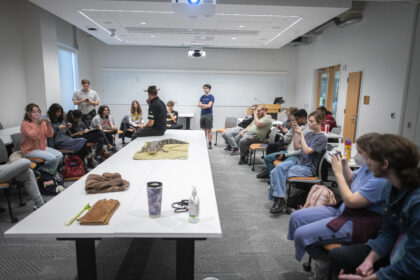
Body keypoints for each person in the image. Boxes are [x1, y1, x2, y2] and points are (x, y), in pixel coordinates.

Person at [287, 133, 391, 279]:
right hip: (343, 210)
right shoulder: (367, 167)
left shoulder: (380, 179)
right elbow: (351, 180)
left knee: (301, 234)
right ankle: (321, 256)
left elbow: (351, 201)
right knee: (297, 217)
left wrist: (338, 175)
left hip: (359, 220)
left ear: (372, 154)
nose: (358, 155)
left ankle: (323, 264)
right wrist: (344, 165)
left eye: (361, 153)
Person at [329, 134, 420, 280]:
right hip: (398, 248)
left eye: (369, 158)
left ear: (384, 164)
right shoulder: (391, 188)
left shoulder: (416, 203)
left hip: (411, 261)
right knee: (338, 255)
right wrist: (368, 261)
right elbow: (389, 232)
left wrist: (370, 279)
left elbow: (414, 264)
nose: (366, 162)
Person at [268, 110, 327, 213]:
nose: (309, 123)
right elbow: (296, 147)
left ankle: (279, 200)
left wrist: (301, 135)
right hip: (298, 161)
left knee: (277, 172)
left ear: (320, 122)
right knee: (276, 169)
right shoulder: (309, 133)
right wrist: (296, 133)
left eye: (312, 121)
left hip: (308, 168)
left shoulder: (322, 138)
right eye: (309, 121)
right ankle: (280, 199)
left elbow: (307, 151)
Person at [256, 109, 309, 179]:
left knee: (280, 166)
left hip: (294, 155)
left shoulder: (307, 131)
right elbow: (289, 140)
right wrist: (292, 130)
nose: (295, 121)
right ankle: (272, 176)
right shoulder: (298, 126)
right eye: (294, 119)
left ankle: (273, 177)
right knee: (267, 158)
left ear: (303, 118)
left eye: (296, 119)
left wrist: (285, 154)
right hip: (288, 151)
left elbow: (298, 149)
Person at [47, 103, 95, 169]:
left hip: (67, 139)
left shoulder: (62, 120)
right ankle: (86, 162)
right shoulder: (49, 122)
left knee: (82, 143)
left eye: (60, 111)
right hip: (59, 142)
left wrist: (67, 128)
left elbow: (67, 133)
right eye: (58, 112)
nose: (60, 113)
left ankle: (83, 165)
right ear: (53, 112)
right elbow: (49, 135)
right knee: (83, 141)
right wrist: (57, 129)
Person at [20, 103, 63, 175]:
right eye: (33, 112)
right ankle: (46, 172)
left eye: (38, 111)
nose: (37, 114)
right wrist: (38, 124)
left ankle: (48, 171)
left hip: (42, 148)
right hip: (30, 150)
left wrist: (48, 124)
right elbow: (33, 136)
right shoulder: (25, 124)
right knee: (52, 158)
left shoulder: (42, 122)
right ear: (28, 113)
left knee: (60, 155)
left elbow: (50, 135)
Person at [198, 84, 215, 149]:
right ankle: (203, 142)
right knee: (203, 129)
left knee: (209, 129)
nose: (205, 89)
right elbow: (198, 104)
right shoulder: (202, 96)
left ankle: (210, 143)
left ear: (209, 89)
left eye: (206, 88)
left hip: (209, 115)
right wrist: (205, 105)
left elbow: (209, 106)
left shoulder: (211, 97)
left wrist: (202, 105)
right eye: (204, 88)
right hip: (202, 114)